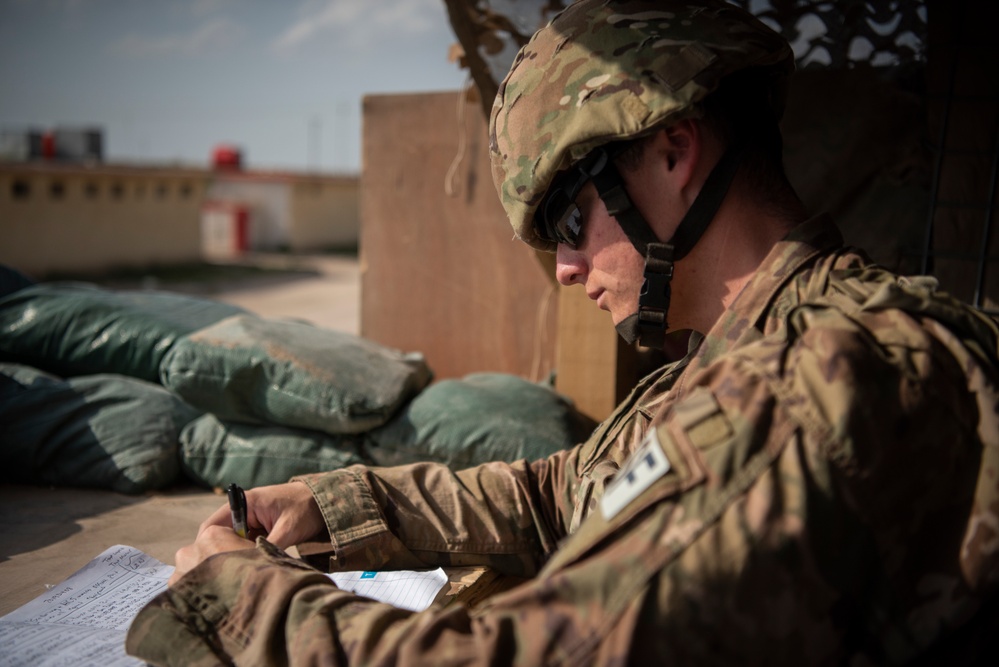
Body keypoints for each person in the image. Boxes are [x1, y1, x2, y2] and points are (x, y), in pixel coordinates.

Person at [127, 1, 999, 664]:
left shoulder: (811, 386)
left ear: (671, 151)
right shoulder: (739, 357)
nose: (565, 271)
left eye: (570, 221)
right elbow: (563, 493)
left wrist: (238, 598)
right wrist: (346, 504)